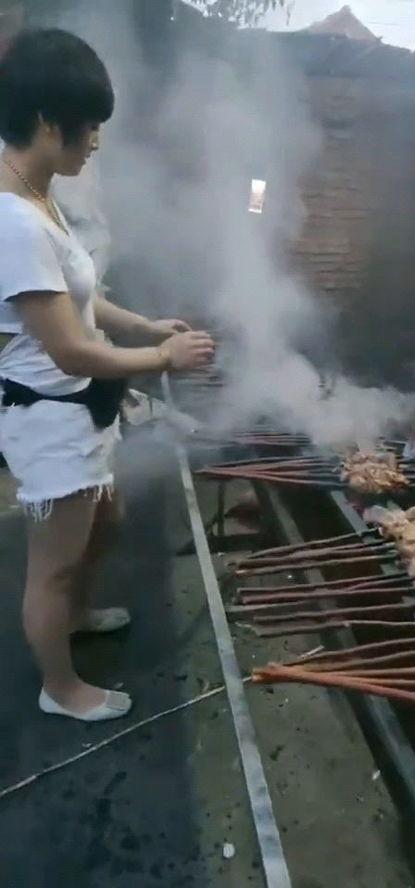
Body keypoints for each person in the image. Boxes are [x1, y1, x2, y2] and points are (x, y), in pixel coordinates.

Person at [0, 28, 214, 721]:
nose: (96, 140)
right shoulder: (15, 223)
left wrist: (147, 327)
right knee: (53, 564)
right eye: (89, 125)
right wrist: (163, 360)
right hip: (49, 419)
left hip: (78, 411)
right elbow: (71, 349)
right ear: (46, 122)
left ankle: (74, 614)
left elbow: (80, 298)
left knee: (106, 518)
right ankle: (59, 688)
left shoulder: (37, 196)